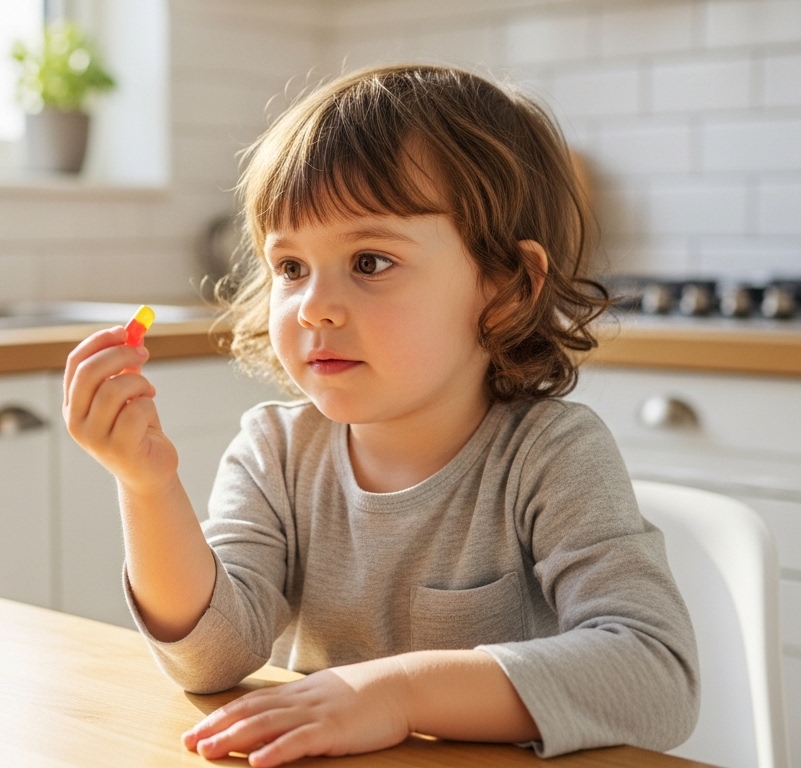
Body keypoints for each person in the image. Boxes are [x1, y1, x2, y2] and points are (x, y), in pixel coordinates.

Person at [62, 63, 698, 767]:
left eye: (369, 261)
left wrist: (394, 693)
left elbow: (656, 673)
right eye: (291, 267)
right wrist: (147, 487)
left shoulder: (550, 454)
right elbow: (211, 659)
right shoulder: (275, 450)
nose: (313, 307)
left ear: (507, 289)